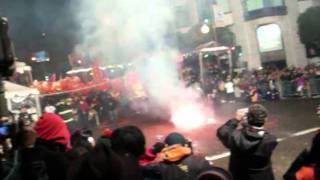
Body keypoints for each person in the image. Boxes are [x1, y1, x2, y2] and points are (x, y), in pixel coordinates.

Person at [217, 104, 278, 180]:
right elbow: (255, 135)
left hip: (238, 176)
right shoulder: (270, 139)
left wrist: (236, 119)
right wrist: (247, 124)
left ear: (247, 119)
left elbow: (222, 132)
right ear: (265, 119)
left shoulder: (235, 137)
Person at [143, 132, 212, 180]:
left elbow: (136, 168)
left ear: (165, 147)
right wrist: (190, 153)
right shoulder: (201, 162)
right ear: (185, 145)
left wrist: (152, 151)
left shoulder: (158, 168)